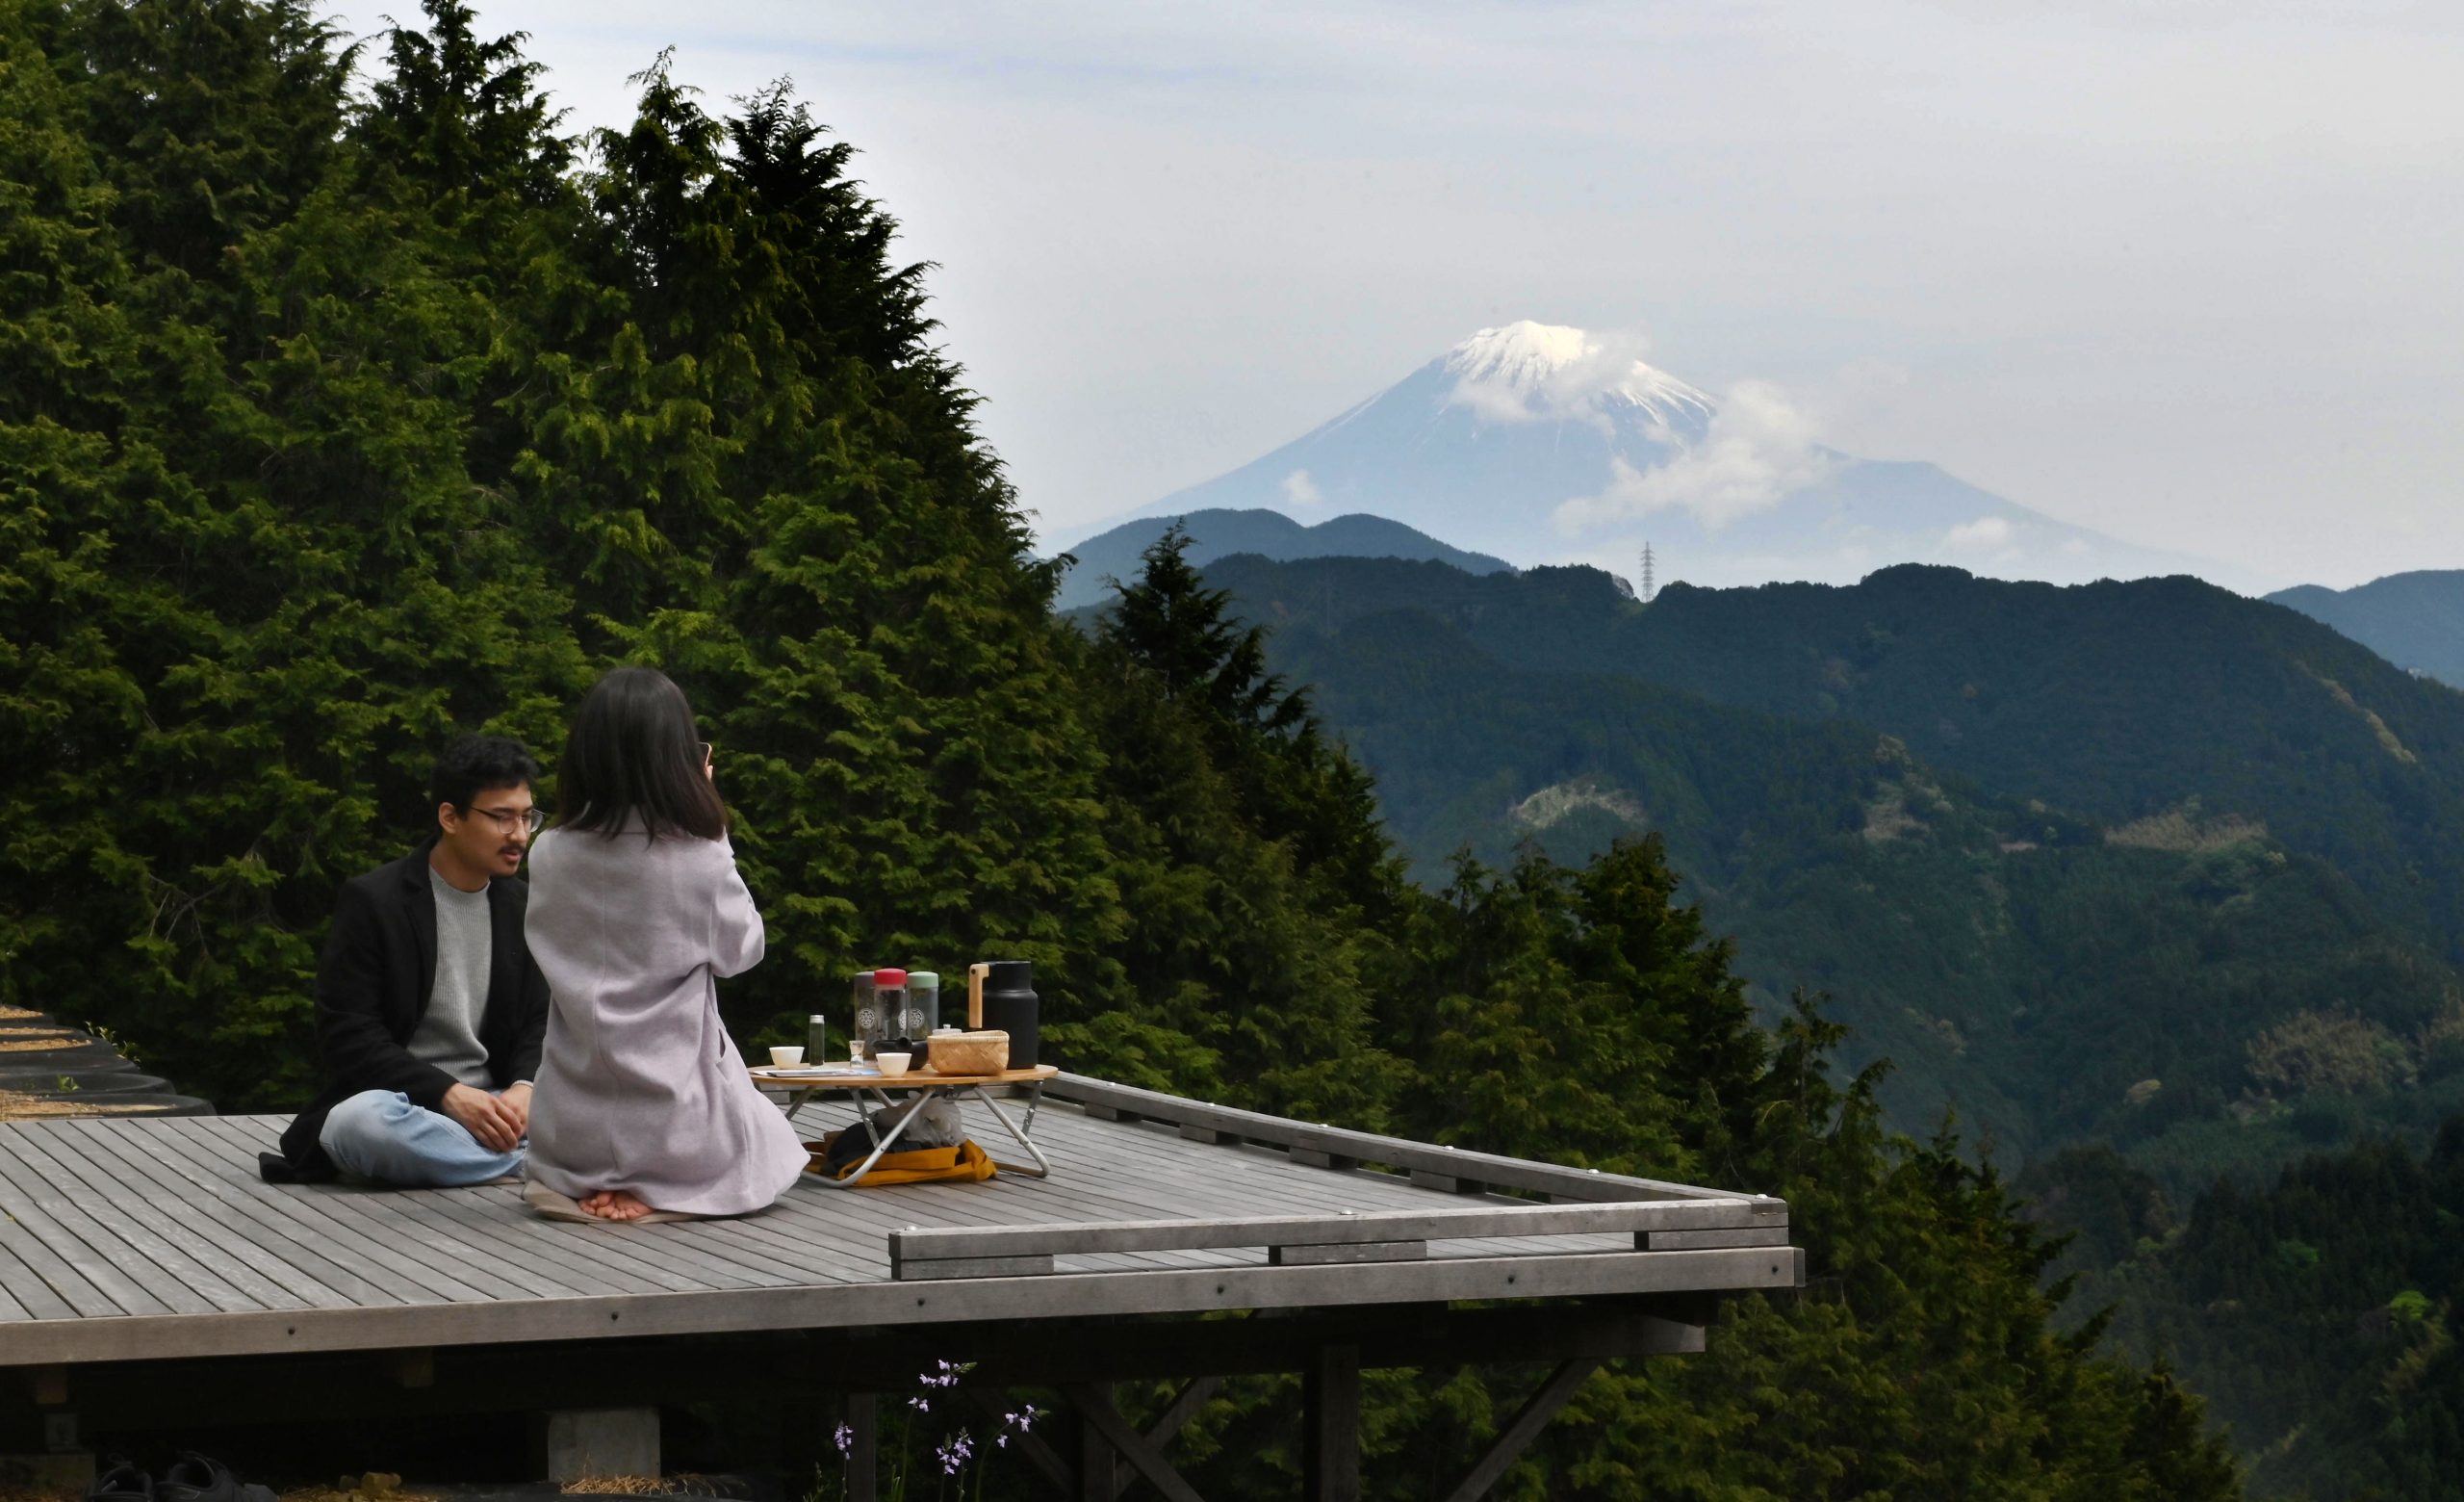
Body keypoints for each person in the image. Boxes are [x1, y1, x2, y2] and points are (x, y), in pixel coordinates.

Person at [520, 666, 807, 1222]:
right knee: (771, 1140)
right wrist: (713, 827)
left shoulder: (549, 851)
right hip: (679, 1130)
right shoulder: (696, 856)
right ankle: (657, 1191)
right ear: (679, 758)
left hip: (567, 1130)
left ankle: (597, 1184)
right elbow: (743, 952)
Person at [263, 737, 552, 1185]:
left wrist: (525, 1089)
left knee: (605, 1109)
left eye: (526, 817)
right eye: (501, 818)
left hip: (498, 1108)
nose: (519, 835)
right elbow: (348, 1035)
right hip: (407, 1105)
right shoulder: (376, 901)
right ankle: (535, 1167)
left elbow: (541, 1020)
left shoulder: (525, 907)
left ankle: (486, 1160)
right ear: (450, 817)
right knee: (357, 1125)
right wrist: (448, 1094)